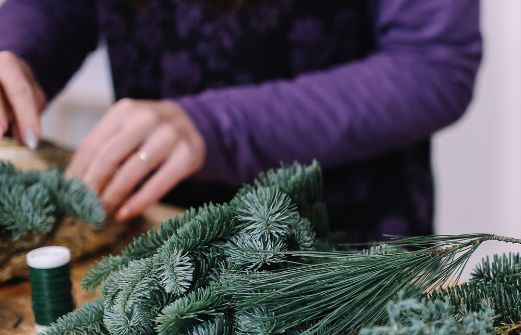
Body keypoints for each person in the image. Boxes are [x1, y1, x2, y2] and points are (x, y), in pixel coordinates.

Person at [0, 0, 482, 240]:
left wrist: (215, 127)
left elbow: (433, 65)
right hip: (155, 228)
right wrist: (17, 49)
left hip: (342, 246)